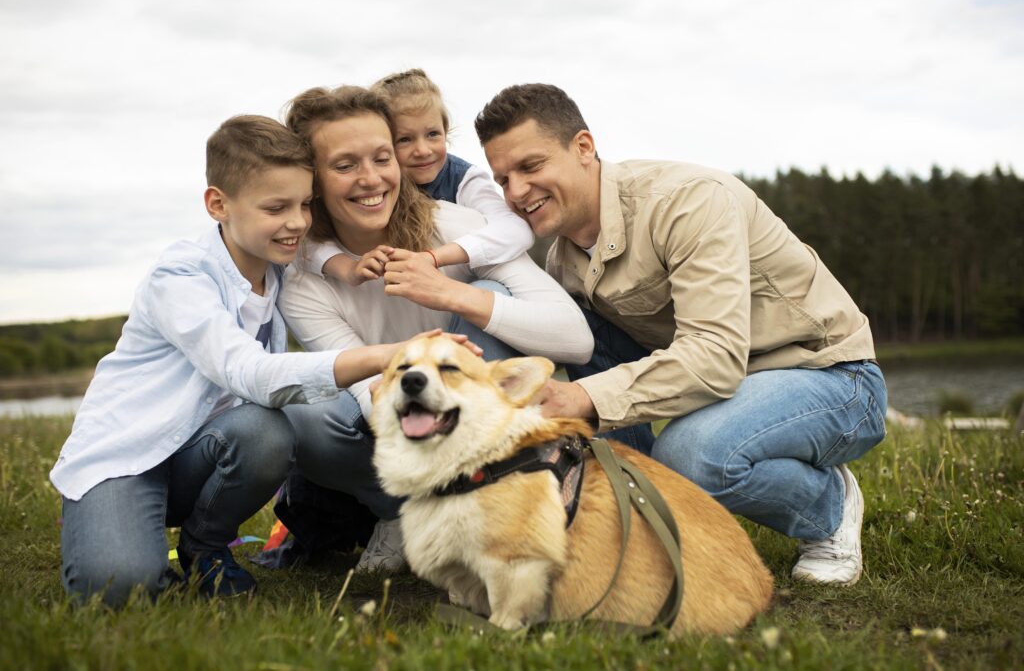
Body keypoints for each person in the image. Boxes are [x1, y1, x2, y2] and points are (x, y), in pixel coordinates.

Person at [50, 115, 477, 607]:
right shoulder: (181, 276)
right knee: (118, 589)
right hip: (127, 456)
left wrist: (350, 264)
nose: (296, 221)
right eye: (277, 207)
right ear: (218, 204)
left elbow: (316, 249)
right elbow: (248, 373)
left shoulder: (278, 264)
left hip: (206, 452)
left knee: (267, 430)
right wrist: (385, 357)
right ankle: (106, 520)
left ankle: (205, 548)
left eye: (303, 204)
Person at [475, 84, 888, 586]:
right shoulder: (562, 259)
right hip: (731, 390)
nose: (516, 192)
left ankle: (828, 506)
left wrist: (579, 396)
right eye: (503, 179)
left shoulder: (688, 202)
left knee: (691, 457)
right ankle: (647, 516)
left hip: (830, 376)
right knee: (577, 333)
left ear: (583, 148)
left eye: (530, 166)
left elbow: (713, 356)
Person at [277, 85, 593, 572]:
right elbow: (366, 392)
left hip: (483, 419)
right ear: (311, 180)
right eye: (344, 166)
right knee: (308, 415)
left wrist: (451, 293)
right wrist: (416, 367)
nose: (370, 179)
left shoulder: (458, 227)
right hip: (396, 424)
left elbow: (576, 338)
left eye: (382, 158)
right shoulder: (304, 281)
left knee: (498, 296)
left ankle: (507, 496)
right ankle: (403, 513)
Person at [306, 68, 534, 286]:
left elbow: (516, 230)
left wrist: (435, 257)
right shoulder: (376, 190)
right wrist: (347, 267)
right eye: (405, 139)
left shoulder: (465, 179)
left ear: (446, 131)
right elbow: (307, 243)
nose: (423, 150)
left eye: (433, 134)